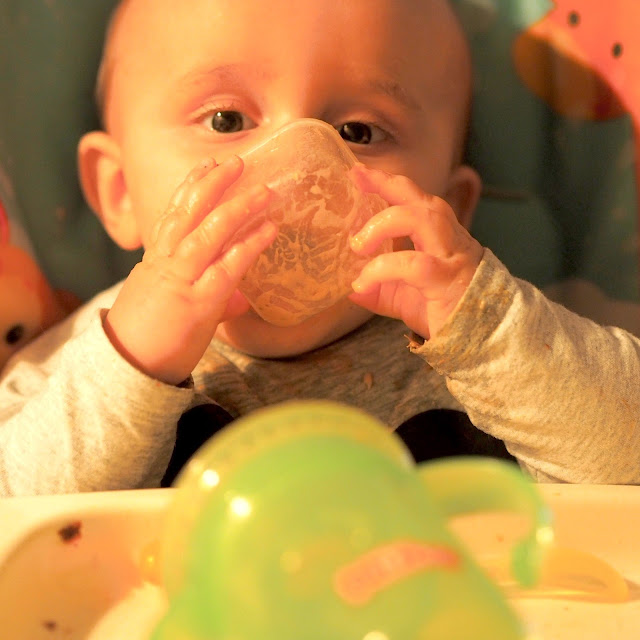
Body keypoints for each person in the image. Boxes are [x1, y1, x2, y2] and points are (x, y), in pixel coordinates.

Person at [1, 0, 638, 497]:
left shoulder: (489, 343)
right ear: (118, 192)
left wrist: (488, 326)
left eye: (358, 132)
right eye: (226, 120)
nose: (297, 169)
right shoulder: (87, 361)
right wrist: (132, 366)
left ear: (452, 207)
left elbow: (627, 462)